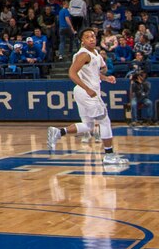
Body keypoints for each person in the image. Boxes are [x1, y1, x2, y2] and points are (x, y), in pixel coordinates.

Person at [47, 29, 128, 165]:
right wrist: (88, 89)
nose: (91, 39)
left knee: (88, 125)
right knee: (105, 121)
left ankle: (59, 132)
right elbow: (72, 73)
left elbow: (93, 73)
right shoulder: (84, 54)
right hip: (87, 93)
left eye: (93, 36)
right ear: (82, 41)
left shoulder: (94, 52)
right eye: (87, 37)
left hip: (83, 93)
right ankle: (109, 155)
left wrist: (106, 78)